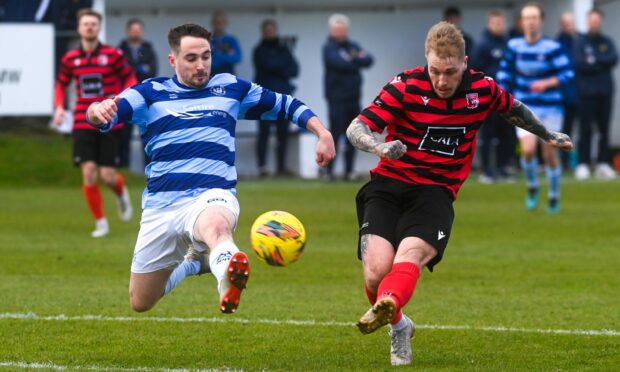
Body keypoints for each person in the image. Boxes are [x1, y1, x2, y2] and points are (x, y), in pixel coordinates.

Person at [346, 21, 572, 366]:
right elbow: (356, 127)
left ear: (464, 63)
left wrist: (546, 134)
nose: (441, 81)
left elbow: (513, 110)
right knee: (376, 273)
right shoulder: (405, 85)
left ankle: (392, 308)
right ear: (427, 60)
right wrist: (378, 146)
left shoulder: (482, 88)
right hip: (388, 185)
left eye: (450, 72)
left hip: (435, 192)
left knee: (410, 256)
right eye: (435, 71)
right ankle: (401, 325)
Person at [86, 24, 335, 315]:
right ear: (173, 60)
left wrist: (322, 132)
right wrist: (97, 109)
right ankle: (195, 263)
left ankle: (227, 277)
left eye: (206, 56)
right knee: (141, 301)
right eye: (191, 59)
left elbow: (285, 104)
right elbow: (106, 112)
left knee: (217, 228)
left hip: (212, 194)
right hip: (161, 207)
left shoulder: (231, 88)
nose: (201, 65)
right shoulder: (151, 92)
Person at [53, 8, 136, 238]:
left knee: (107, 175)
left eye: (93, 24)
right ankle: (101, 223)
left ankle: (120, 193)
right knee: (89, 172)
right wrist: (59, 107)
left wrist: (124, 97)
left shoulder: (113, 54)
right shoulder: (70, 58)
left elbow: (130, 78)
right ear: (79, 28)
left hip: (109, 120)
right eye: (85, 24)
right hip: (81, 121)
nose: (89, 27)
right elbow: (61, 84)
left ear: (99, 28)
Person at [497, 2, 574, 213]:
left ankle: (554, 194)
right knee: (528, 151)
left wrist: (546, 83)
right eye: (526, 18)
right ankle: (532, 186)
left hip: (550, 108)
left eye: (534, 18)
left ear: (541, 21)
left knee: (549, 153)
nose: (530, 22)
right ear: (522, 22)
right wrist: (501, 93)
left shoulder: (552, 48)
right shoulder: (514, 46)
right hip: (525, 107)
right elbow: (504, 72)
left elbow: (568, 74)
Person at [322, 13, 373, 181]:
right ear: (332, 30)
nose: (340, 32)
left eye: (343, 29)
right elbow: (339, 63)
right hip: (336, 99)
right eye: (337, 29)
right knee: (335, 134)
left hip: (353, 98)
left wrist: (353, 59)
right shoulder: (329, 48)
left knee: (353, 135)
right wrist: (355, 60)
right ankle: (329, 171)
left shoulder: (352, 46)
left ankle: (349, 171)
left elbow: (368, 60)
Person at [470, 10, 516, 183]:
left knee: (507, 133)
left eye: (501, 22)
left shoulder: (508, 44)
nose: (499, 26)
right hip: (489, 98)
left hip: (507, 97)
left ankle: (503, 167)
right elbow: (475, 72)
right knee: (488, 134)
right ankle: (488, 170)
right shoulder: (482, 44)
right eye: (495, 23)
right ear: (489, 23)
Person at [573, 8, 618, 180]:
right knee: (585, 129)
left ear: (601, 22)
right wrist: (599, 62)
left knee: (603, 129)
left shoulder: (607, 41)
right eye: (592, 20)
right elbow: (580, 64)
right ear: (587, 21)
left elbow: (612, 59)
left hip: (605, 92)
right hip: (586, 93)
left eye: (598, 21)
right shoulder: (580, 42)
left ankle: (602, 163)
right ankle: (583, 164)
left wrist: (594, 60)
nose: (595, 23)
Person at [253, 19, 299, 177]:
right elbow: (268, 65)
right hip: (264, 97)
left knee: (282, 133)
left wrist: (278, 67)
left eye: (272, 30)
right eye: (267, 30)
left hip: (284, 97)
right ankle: (262, 167)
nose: (270, 33)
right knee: (264, 133)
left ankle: (281, 167)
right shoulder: (259, 50)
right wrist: (281, 67)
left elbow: (294, 69)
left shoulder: (283, 49)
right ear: (263, 32)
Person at [118, 18, 158, 167]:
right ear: (128, 32)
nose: (135, 33)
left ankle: (149, 169)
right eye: (133, 30)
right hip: (125, 98)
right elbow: (119, 72)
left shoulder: (148, 50)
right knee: (124, 136)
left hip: (145, 99)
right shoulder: (120, 50)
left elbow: (152, 71)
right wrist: (139, 68)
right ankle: (124, 168)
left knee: (147, 135)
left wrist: (134, 69)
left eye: (138, 30)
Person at [555, 12, 580, 171]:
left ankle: (580, 161)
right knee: (564, 130)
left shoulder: (581, 40)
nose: (568, 26)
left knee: (582, 128)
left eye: (570, 23)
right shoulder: (558, 43)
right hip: (564, 95)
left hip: (581, 93)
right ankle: (563, 162)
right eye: (565, 23)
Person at [210, 11, 242, 76]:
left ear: (226, 23)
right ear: (213, 23)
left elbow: (237, 57)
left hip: (229, 77)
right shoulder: (208, 40)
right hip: (211, 77)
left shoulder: (231, 40)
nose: (219, 24)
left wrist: (219, 57)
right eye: (217, 22)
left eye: (222, 22)